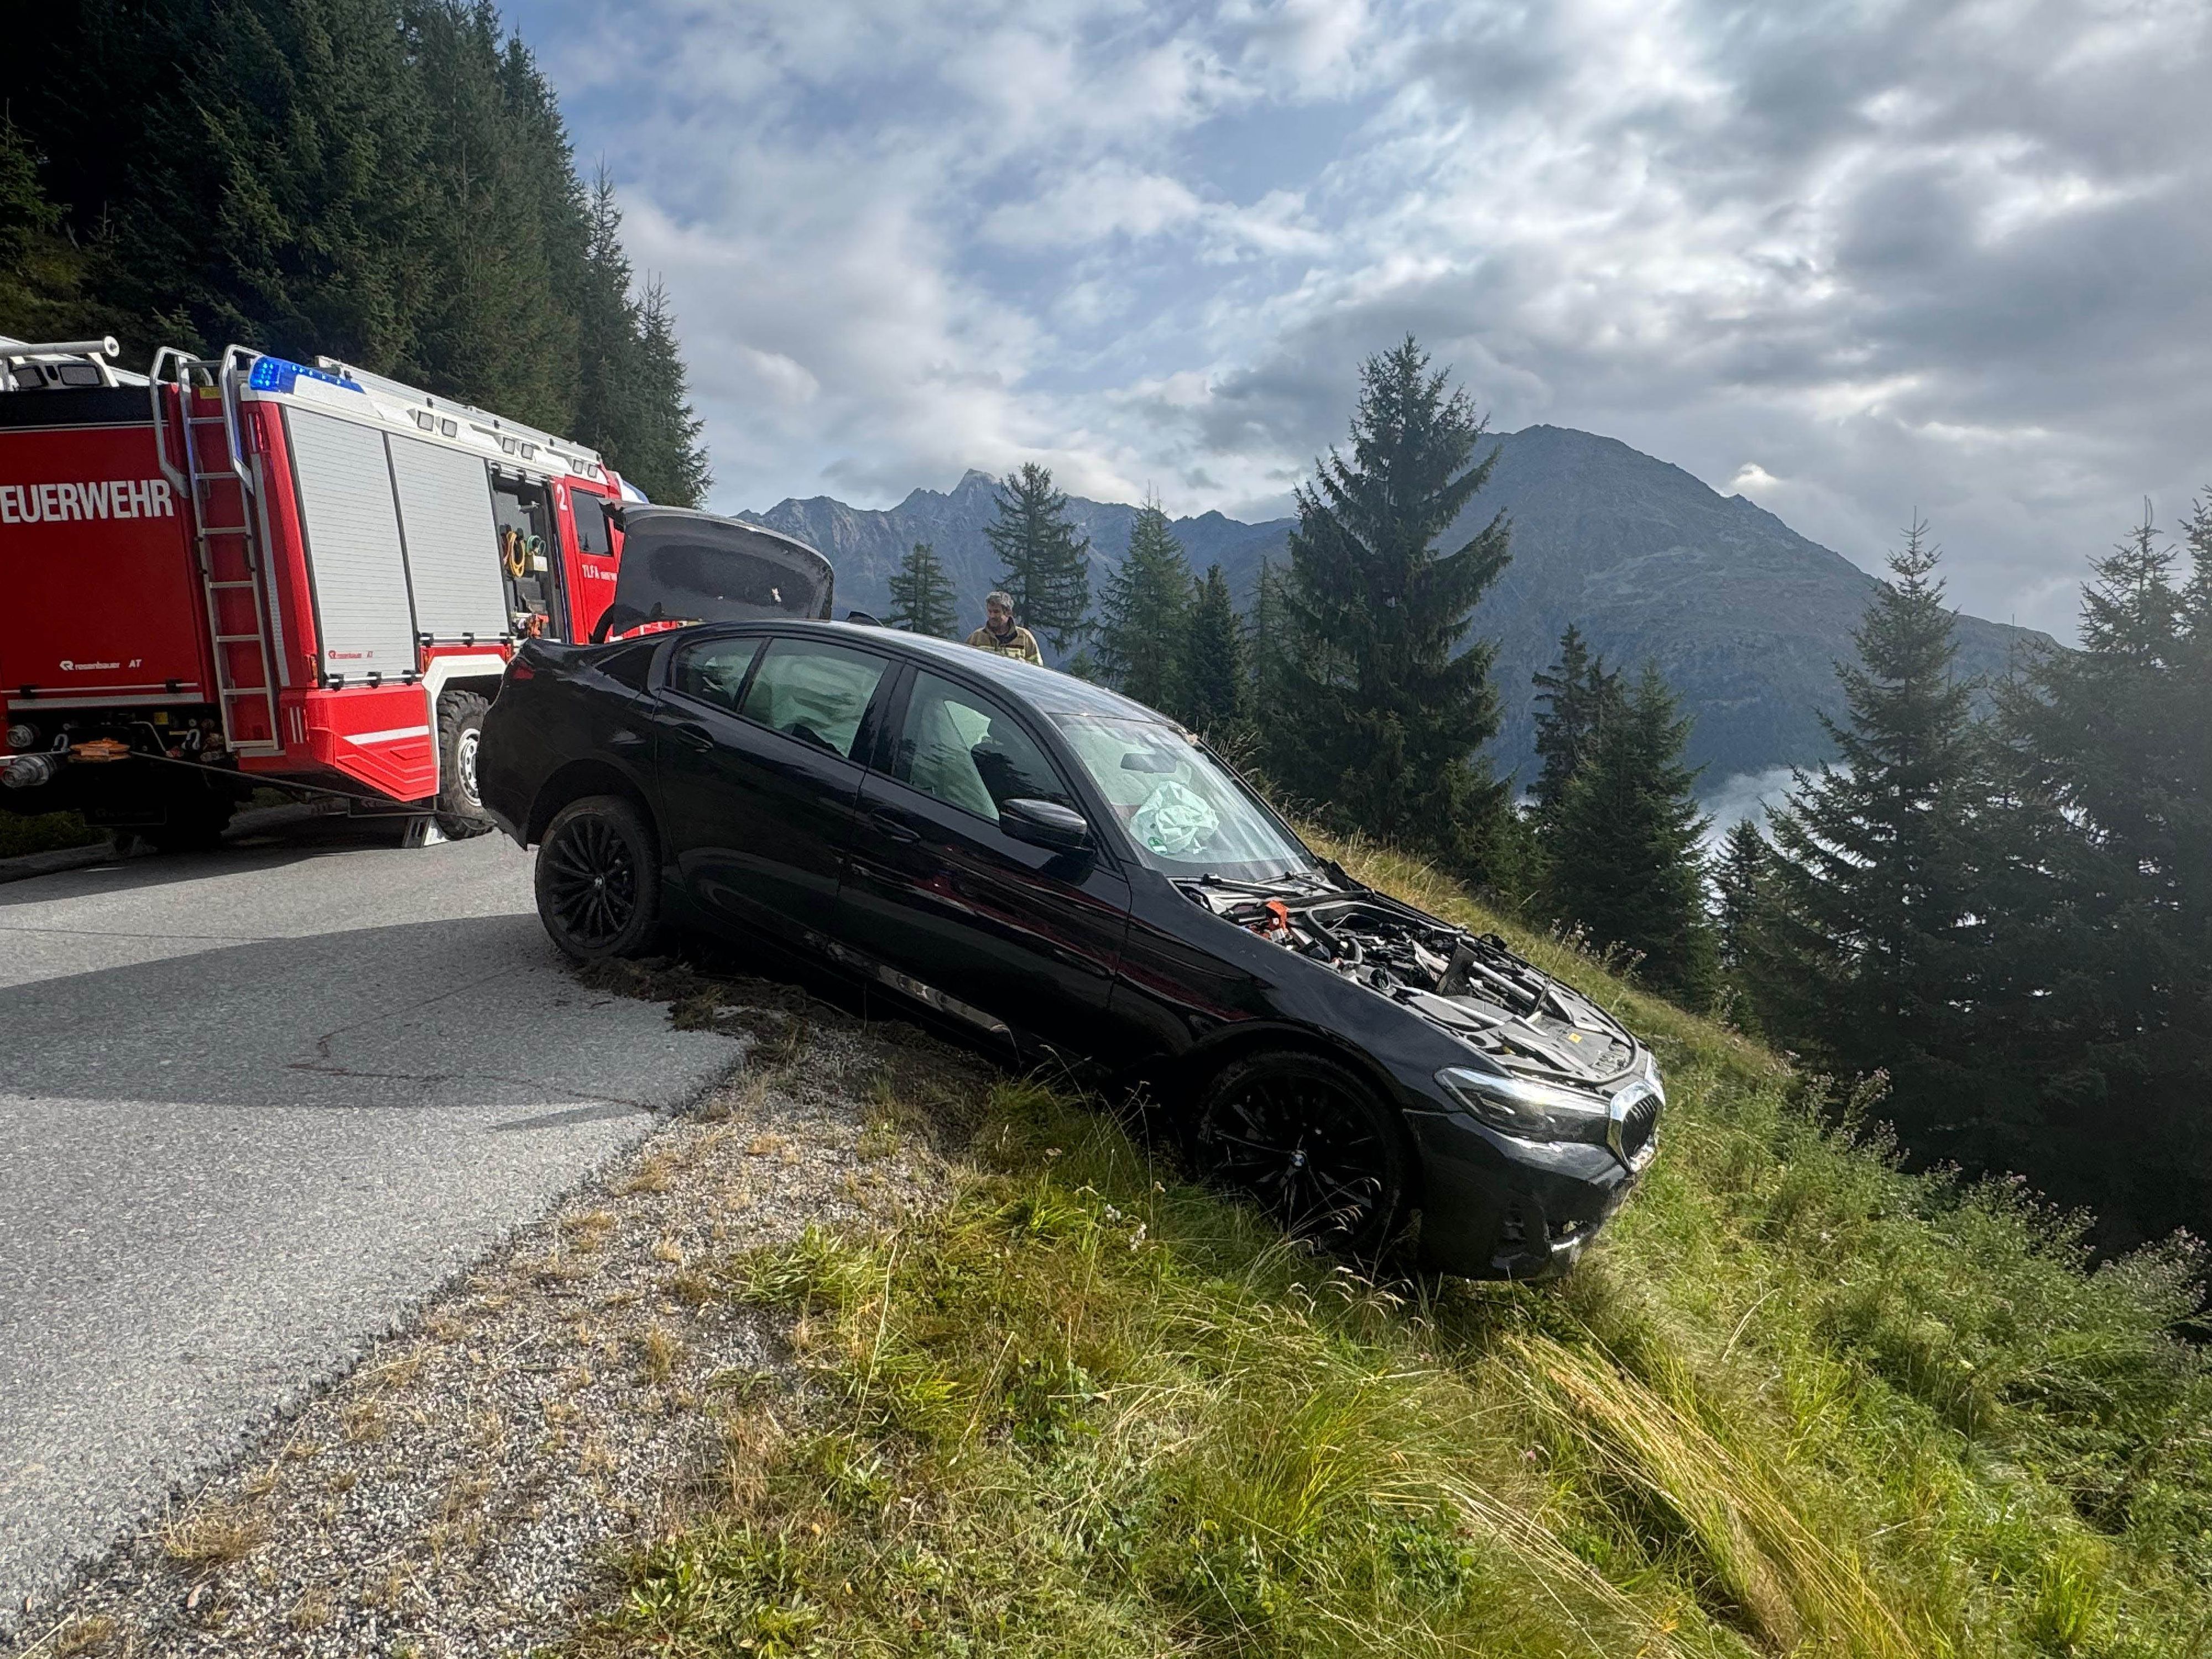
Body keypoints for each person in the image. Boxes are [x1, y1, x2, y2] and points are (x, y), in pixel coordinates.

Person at [965, 591, 1042, 665]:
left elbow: (1037, 669)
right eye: (990, 611)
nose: (992, 616)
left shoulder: (1025, 638)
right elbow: (964, 662)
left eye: (996, 612)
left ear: (1008, 613)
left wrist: (1022, 665)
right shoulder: (976, 638)